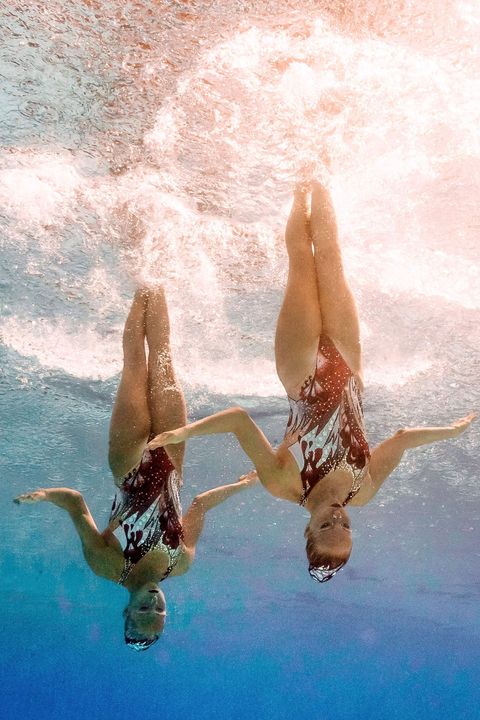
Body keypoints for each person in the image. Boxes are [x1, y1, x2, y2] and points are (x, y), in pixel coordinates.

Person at [146, 180, 476, 583]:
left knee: (303, 259)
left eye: (326, 528)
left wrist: (184, 432)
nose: (339, 518)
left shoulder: (282, 483)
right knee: (332, 255)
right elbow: (403, 438)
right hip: (350, 367)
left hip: (300, 372)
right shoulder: (364, 491)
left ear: (307, 530)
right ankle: (319, 170)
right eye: (347, 528)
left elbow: (236, 420)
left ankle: (298, 190)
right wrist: (452, 430)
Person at [15, 287, 257, 650]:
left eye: (143, 608)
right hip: (173, 457)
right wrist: (240, 486)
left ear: (126, 612)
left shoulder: (107, 565)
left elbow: (75, 502)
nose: (154, 602)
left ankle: (139, 282)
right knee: (162, 355)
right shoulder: (181, 564)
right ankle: (156, 280)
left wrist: (46, 495)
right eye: (159, 611)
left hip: (129, 463)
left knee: (135, 364)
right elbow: (201, 505)